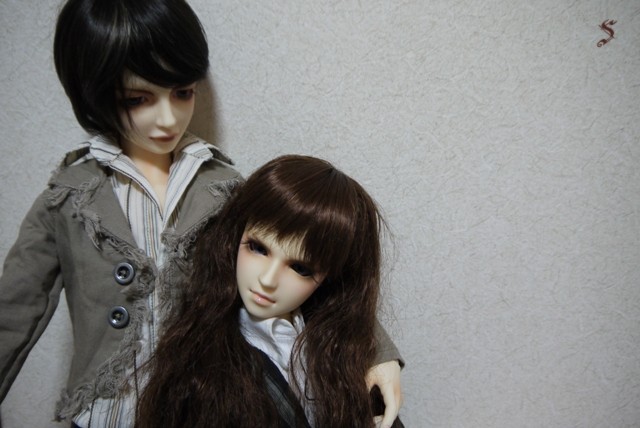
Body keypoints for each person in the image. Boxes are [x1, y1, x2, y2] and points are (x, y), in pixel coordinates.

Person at [0, 0, 402, 426]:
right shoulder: (71, 197)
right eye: (138, 99)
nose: (167, 119)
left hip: (199, 407)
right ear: (94, 93)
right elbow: (15, 308)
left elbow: (305, 257)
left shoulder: (221, 184)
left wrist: (376, 353)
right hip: (105, 413)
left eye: (183, 93)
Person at [136, 155, 404, 428]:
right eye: (257, 248)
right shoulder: (201, 362)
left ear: (331, 278)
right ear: (236, 235)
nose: (267, 279)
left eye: (300, 268)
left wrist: (374, 359)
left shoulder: (333, 347)